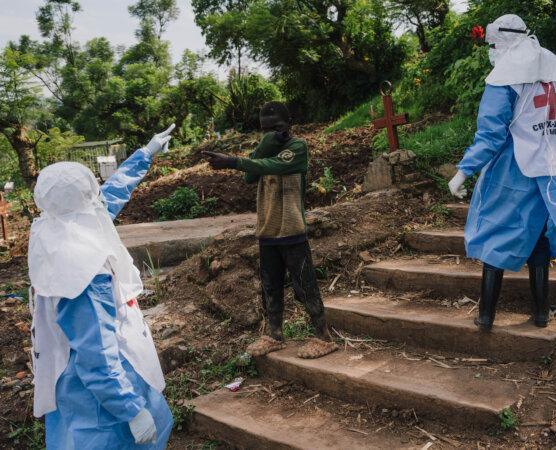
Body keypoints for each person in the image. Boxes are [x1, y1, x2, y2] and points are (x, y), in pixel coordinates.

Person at [28, 125, 176, 449]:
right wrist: (132, 411)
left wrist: (145, 154)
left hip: (70, 384)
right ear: (84, 198)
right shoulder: (82, 271)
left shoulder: (53, 231)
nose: (99, 194)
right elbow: (97, 357)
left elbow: (109, 198)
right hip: (104, 400)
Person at [448, 14, 556, 331]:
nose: (490, 51)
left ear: (502, 42)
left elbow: (490, 135)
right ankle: (542, 315)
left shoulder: (505, 78)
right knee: (539, 241)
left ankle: (487, 316)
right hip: (550, 171)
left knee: (494, 234)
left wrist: (463, 171)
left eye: (492, 45)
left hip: (511, 173)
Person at [203, 102, 338, 359]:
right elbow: (249, 177)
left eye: (276, 128)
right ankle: (273, 334)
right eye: (265, 130)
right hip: (267, 231)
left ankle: (323, 336)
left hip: (291, 229)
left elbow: (269, 167)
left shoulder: (297, 148)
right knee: (270, 286)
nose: (271, 134)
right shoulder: (266, 149)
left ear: (289, 124)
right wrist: (264, 145)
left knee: (304, 285)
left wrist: (234, 160)